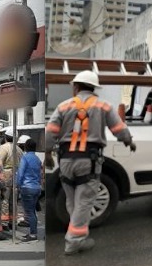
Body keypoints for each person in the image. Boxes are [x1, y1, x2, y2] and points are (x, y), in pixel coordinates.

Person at [45, 70, 136, 256]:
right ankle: (74, 241)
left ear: (76, 87)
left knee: (73, 201)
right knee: (84, 201)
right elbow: (119, 129)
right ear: (94, 88)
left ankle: (77, 235)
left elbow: (49, 133)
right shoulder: (103, 106)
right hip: (89, 161)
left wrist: (47, 154)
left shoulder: (63, 106)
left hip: (65, 161)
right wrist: (129, 141)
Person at [0, 127, 25, 229]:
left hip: (6, 175)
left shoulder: (3, 148)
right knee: (14, 201)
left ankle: (4, 223)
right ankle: (13, 222)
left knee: (5, 200)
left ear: (6, 137)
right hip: (17, 175)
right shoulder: (19, 150)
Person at [16, 138, 43, 242]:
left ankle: (33, 234)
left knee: (30, 212)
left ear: (26, 147)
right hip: (36, 188)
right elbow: (40, 175)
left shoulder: (25, 158)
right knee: (33, 212)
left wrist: (17, 185)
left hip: (27, 188)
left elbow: (20, 173)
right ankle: (33, 232)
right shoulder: (37, 159)